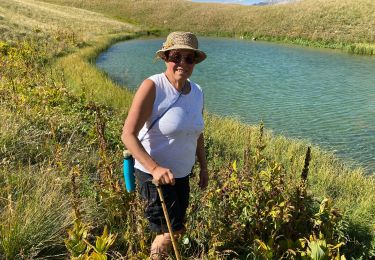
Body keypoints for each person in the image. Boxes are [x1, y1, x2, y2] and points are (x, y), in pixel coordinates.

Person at [121, 31, 209, 258]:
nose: (183, 63)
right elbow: (128, 135)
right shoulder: (153, 86)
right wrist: (155, 168)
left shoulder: (197, 92)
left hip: (181, 175)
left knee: (176, 229)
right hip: (154, 176)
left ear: (195, 62)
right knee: (170, 231)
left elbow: (197, 133)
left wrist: (203, 166)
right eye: (176, 56)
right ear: (165, 58)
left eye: (189, 58)